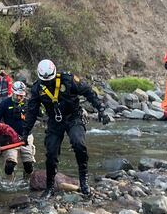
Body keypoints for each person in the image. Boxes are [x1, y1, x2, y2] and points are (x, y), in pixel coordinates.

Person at [22, 59, 109, 198]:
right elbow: (32, 112)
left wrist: (101, 110)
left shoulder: (68, 80)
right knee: (51, 153)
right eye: (45, 81)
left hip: (73, 117)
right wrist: (25, 133)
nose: (48, 83)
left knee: (78, 144)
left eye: (50, 80)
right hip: (54, 122)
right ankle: (49, 186)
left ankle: (83, 180)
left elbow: (88, 92)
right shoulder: (38, 88)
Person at [0, 81, 35, 181]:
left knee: (28, 165)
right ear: (12, 92)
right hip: (10, 139)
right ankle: (9, 184)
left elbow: (38, 115)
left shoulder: (29, 103)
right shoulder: (4, 104)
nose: (19, 98)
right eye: (17, 96)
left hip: (26, 137)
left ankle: (28, 182)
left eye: (21, 96)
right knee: (9, 165)